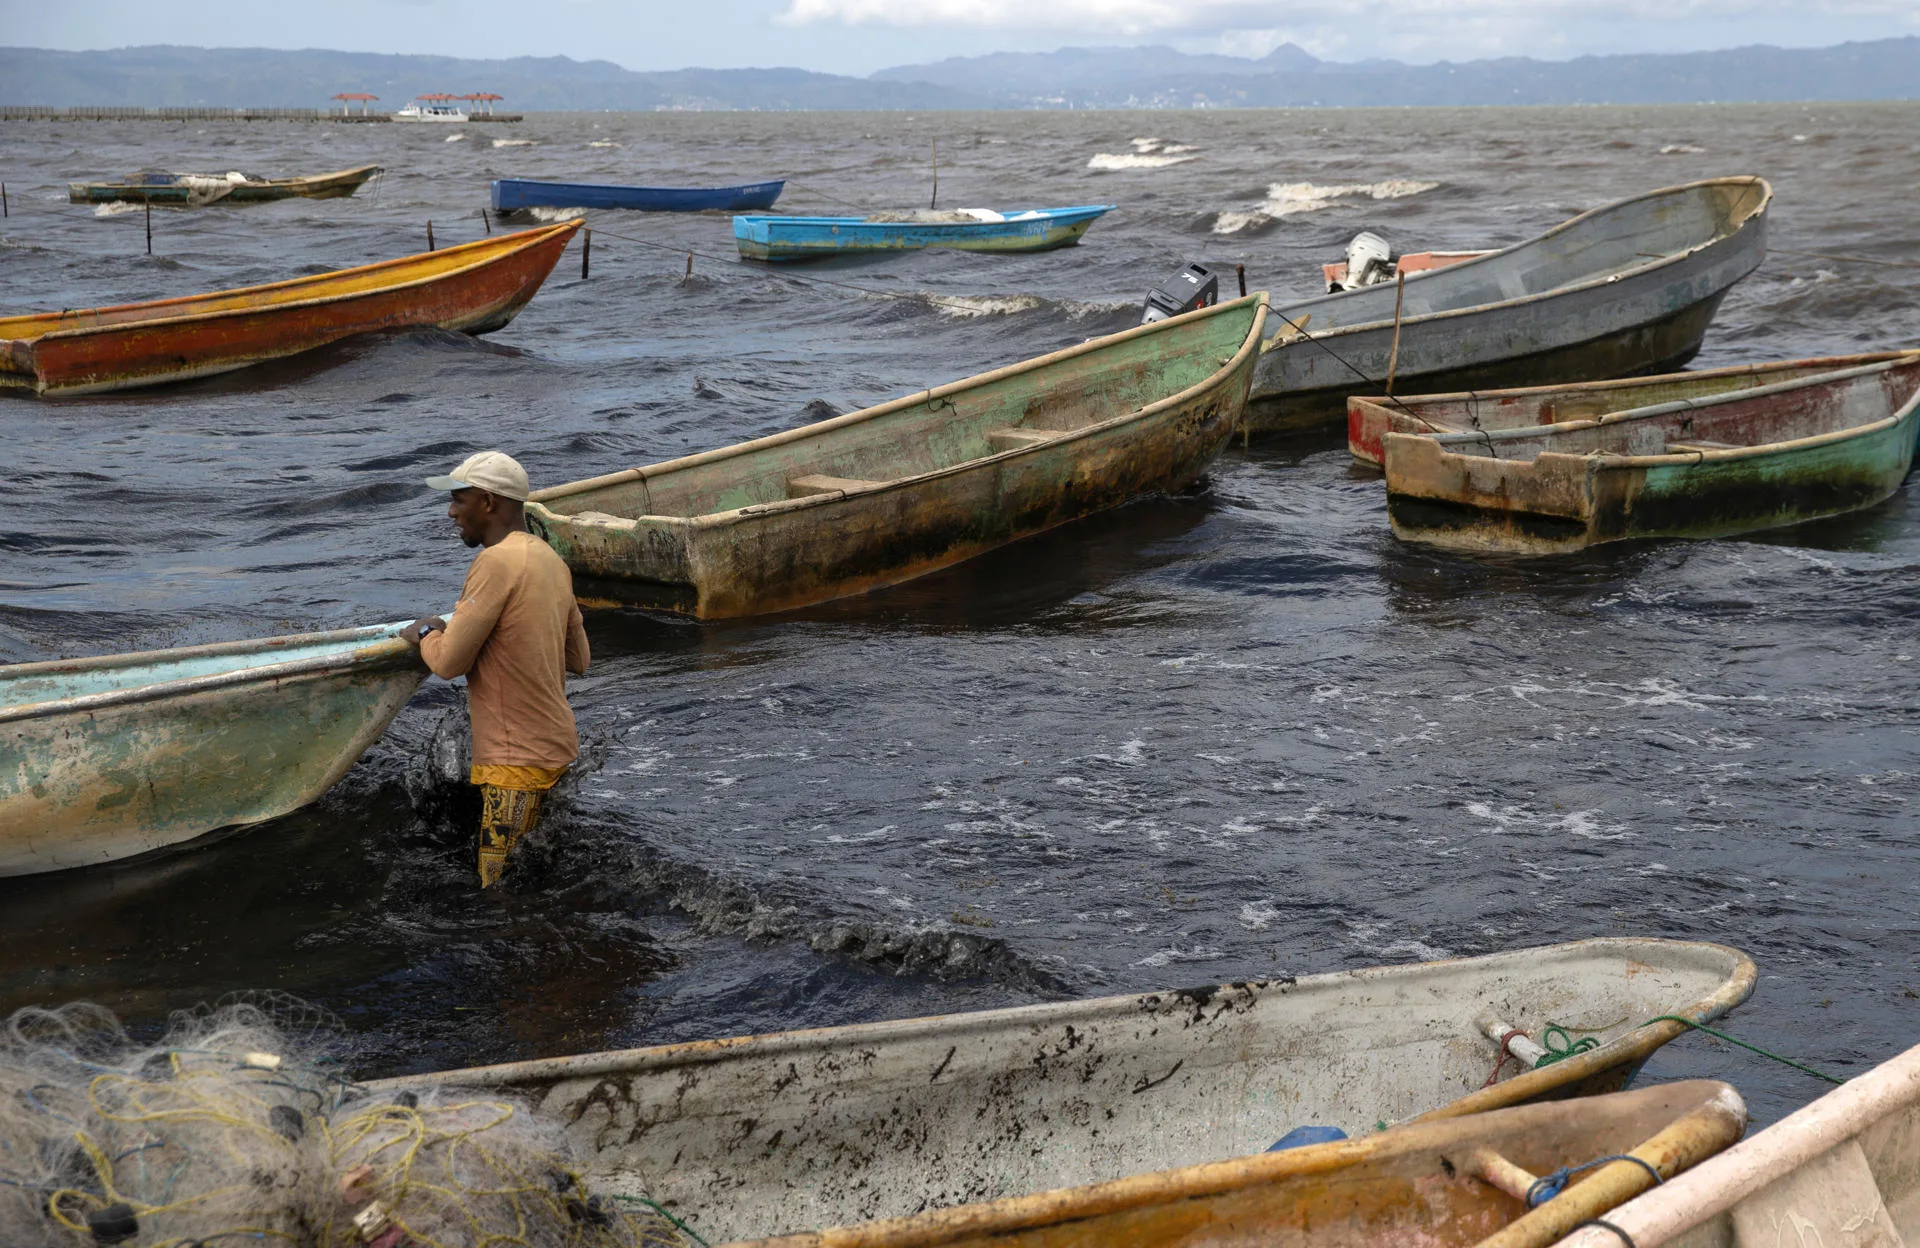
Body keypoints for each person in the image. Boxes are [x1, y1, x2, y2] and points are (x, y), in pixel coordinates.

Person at [405, 451, 589, 887]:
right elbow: (580, 659)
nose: (451, 512)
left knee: (498, 889)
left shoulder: (495, 562)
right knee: (540, 878)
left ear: (488, 502)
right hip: (557, 751)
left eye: (458, 500)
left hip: (514, 767)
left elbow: (449, 662)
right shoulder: (551, 560)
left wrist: (426, 632)